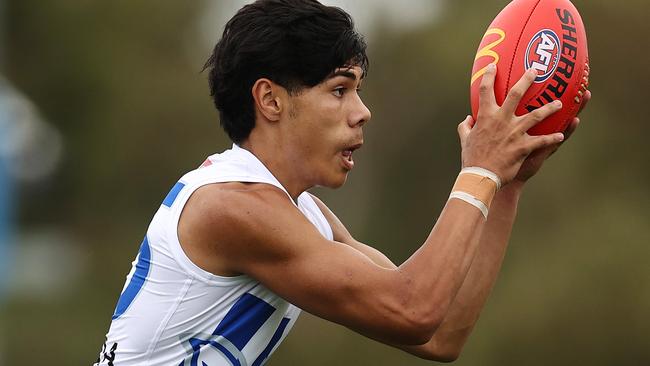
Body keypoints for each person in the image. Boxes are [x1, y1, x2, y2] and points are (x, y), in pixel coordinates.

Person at [94, 0, 590, 365]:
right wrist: (479, 172)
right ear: (270, 100)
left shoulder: (297, 211)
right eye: (339, 90)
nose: (362, 112)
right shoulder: (232, 207)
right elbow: (413, 308)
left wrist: (507, 184)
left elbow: (438, 335)